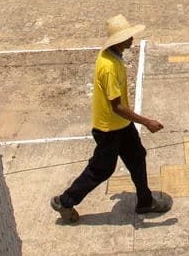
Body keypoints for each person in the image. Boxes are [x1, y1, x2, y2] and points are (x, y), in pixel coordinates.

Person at [50, 14, 173, 223]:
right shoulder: (109, 67)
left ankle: (145, 201)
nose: (131, 39)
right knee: (101, 170)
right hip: (109, 129)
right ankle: (65, 201)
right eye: (127, 37)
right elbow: (117, 107)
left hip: (121, 125)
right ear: (117, 41)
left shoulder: (112, 56)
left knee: (137, 157)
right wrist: (147, 122)